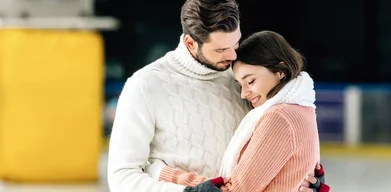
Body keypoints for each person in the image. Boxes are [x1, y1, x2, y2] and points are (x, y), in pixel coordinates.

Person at [106, 0, 326, 191]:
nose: (232, 55)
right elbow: (122, 177)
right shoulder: (145, 86)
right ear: (191, 43)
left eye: (236, 43)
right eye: (221, 50)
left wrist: (298, 174)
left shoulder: (242, 77)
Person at [158, 30, 331, 192]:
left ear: (280, 71)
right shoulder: (302, 109)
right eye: (241, 84)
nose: (243, 93)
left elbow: (236, 190)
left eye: (251, 81)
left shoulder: (280, 117)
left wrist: (164, 173)